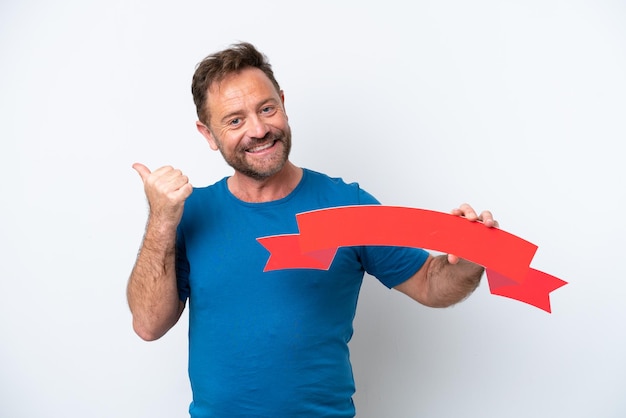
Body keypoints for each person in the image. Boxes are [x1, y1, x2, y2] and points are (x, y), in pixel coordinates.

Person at [127, 42, 498, 418]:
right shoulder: (189, 214)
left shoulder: (348, 206)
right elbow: (148, 325)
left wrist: (468, 261)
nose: (258, 129)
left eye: (266, 109)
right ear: (208, 134)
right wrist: (161, 220)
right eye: (235, 120)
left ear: (284, 104)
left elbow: (429, 283)